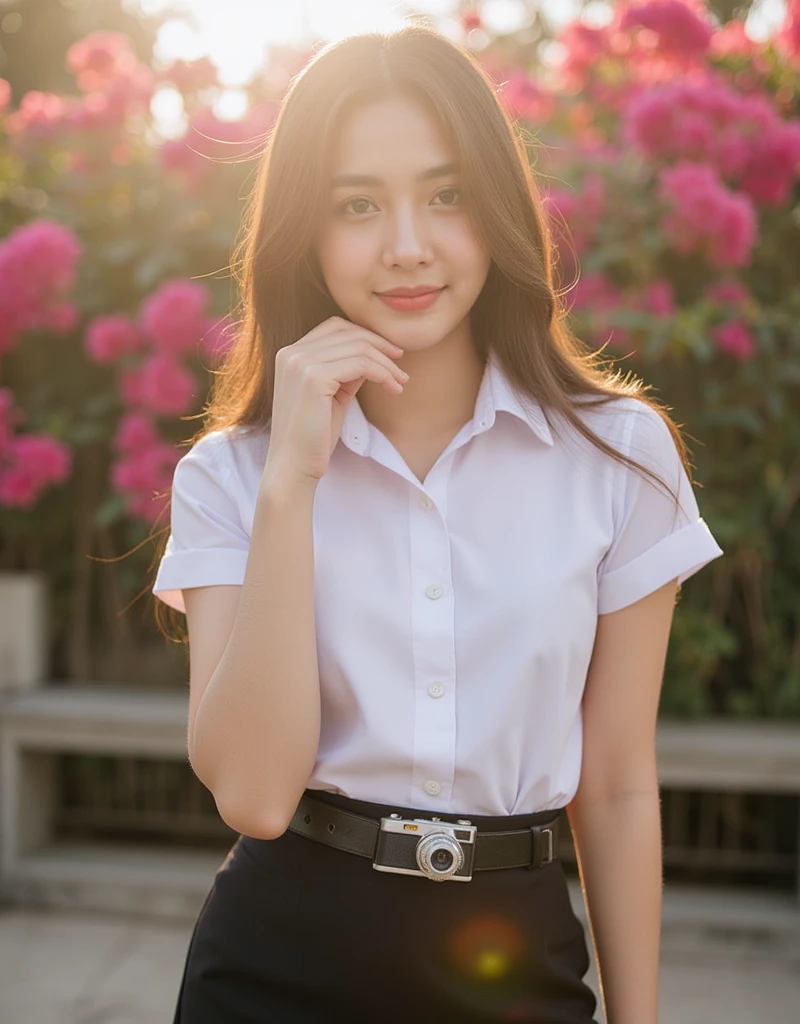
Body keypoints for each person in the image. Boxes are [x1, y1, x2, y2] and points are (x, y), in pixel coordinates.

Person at [151, 24, 724, 1024]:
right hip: (273, 968)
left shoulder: (618, 456)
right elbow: (251, 795)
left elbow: (619, 784)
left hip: (516, 961)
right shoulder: (232, 476)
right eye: (357, 204)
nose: (406, 243)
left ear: (497, 207)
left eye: (445, 193)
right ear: (306, 232)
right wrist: (291, 481)